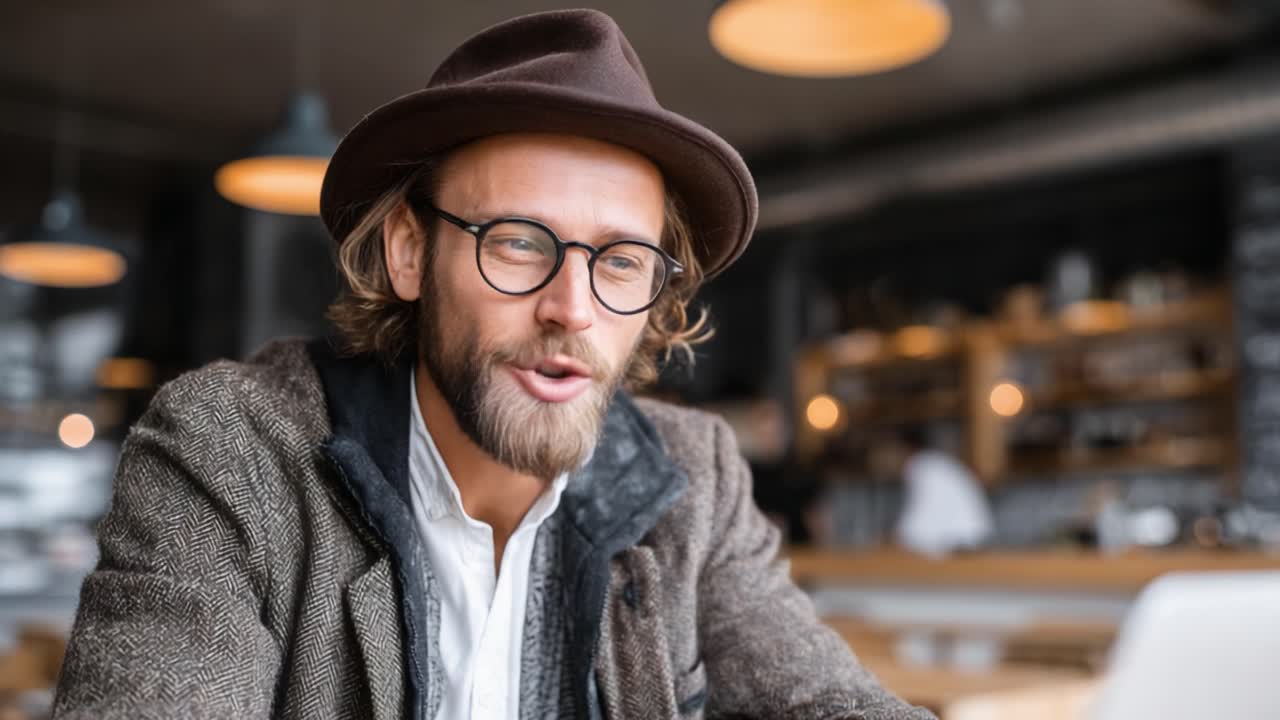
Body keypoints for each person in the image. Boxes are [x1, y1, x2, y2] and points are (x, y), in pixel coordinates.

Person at [52, 10, 933, 720]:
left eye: (620, 260)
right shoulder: (231, 453)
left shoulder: (694, 480)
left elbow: (829, 701)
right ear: (408, 252)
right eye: (518, 243)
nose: (572, 308)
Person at [895, 427, 994, 557]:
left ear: (905, 449)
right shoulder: (940, 462)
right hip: (975, 536)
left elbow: (921, 508)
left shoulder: (919, 465)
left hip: (956, 542)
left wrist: (902, 536)